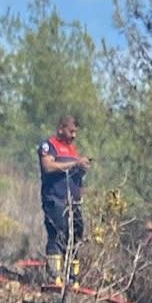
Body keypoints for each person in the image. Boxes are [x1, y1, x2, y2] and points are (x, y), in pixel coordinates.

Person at [38, 115, 91, 287]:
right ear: (61, 129)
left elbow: (76, 174)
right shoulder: (49, 145)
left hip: (73, 202)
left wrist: (82, 169)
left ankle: (73, 279)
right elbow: (48, 166)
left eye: (76, 132)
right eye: (71, 131)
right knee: (57, 235)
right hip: (55, 199)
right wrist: (75, 164)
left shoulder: (73, 150)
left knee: (75, 237)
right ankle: (55, 277)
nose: (74, 135)